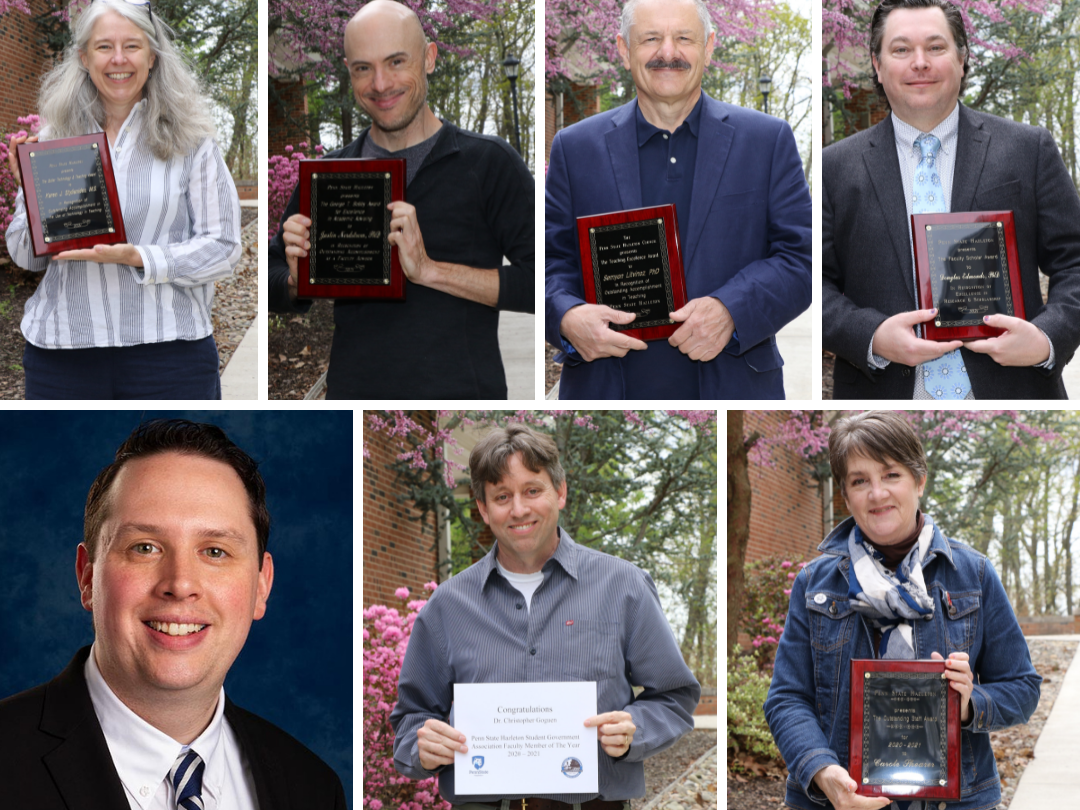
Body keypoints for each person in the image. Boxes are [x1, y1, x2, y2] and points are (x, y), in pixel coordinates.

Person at [0, 419, 347, 808]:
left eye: (215, 551)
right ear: (87, 577)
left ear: (261, 586)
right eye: (144, 547)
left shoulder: (314, 789)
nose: (180, 584)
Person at [390, 424, 701, 806]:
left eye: (532, 491)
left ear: (561, 492)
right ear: (484, 510)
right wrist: (421, 746)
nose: (519, 509)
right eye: (502, 496)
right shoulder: (447, 606)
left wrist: (637, 729)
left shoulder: (624, 587)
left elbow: (674, 696)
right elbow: (409, 721)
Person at [764, 411, 1041, 810]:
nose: (877, 494)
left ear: (919, 480)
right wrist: (822, 771)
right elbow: (786, 698)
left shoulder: (974, 574)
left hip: (956, 800)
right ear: (845, 495)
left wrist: (968, 703)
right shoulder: (814, 583)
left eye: (891, 475)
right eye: (860, 481)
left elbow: (1023, 688)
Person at [545, 0, 811, 400]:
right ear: (623, 48)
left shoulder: (767, 141)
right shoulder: (574, 148)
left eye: (683, 38)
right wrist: (566, 315)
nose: (667, 53)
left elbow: (802, 260)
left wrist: (731, 310)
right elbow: (549, 261)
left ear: (709, 46)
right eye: (651, 38)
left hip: (732, 385)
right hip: (605, 390)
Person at [269, 0, 534, 399]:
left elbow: (541, 283)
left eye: (396, 62)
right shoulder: (330, 175)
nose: (380, 84)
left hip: (455, 400)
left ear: (429, 58)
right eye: (363, 68)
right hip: (352, 401)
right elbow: (275, 283)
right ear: (349, 72)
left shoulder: (488, 163)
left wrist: (429, 270)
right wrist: (296, 278)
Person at [823, 0, 1080, 399]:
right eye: (901, 49)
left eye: (936, 47)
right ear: (877, 63)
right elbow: (811, 281)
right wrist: (870, 335)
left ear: (963, 58)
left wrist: (1047, 339)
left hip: (1013, 387)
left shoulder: (1029, 150)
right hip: (883, 392)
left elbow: (1075, 260)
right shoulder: (833, 168)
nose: (920, 62)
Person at [5, 0, 241, 400]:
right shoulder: (52, 142)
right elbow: (26, 258)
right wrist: (31, 195)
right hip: (62, 358)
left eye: (132, 46)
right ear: (83, 57)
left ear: (152, 56)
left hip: (170, 356)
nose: (118, 59)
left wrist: (139, 257)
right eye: (103, 47)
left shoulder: (193, 142)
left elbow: (224, 248)